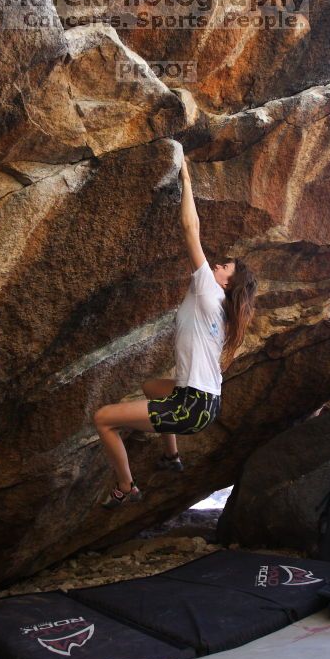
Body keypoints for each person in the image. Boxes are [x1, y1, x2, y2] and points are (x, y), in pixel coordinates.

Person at [94, 155, 258, 508]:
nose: (217, 264)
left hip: (192, 406)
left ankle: (125, 488)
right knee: (152, 388)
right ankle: (171, 457)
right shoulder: (220, 309)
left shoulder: (210, 291)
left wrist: (185, 177)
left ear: (229, 283)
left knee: (103, 419)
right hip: (203, 400)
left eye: (225, 266)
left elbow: (189, 229)